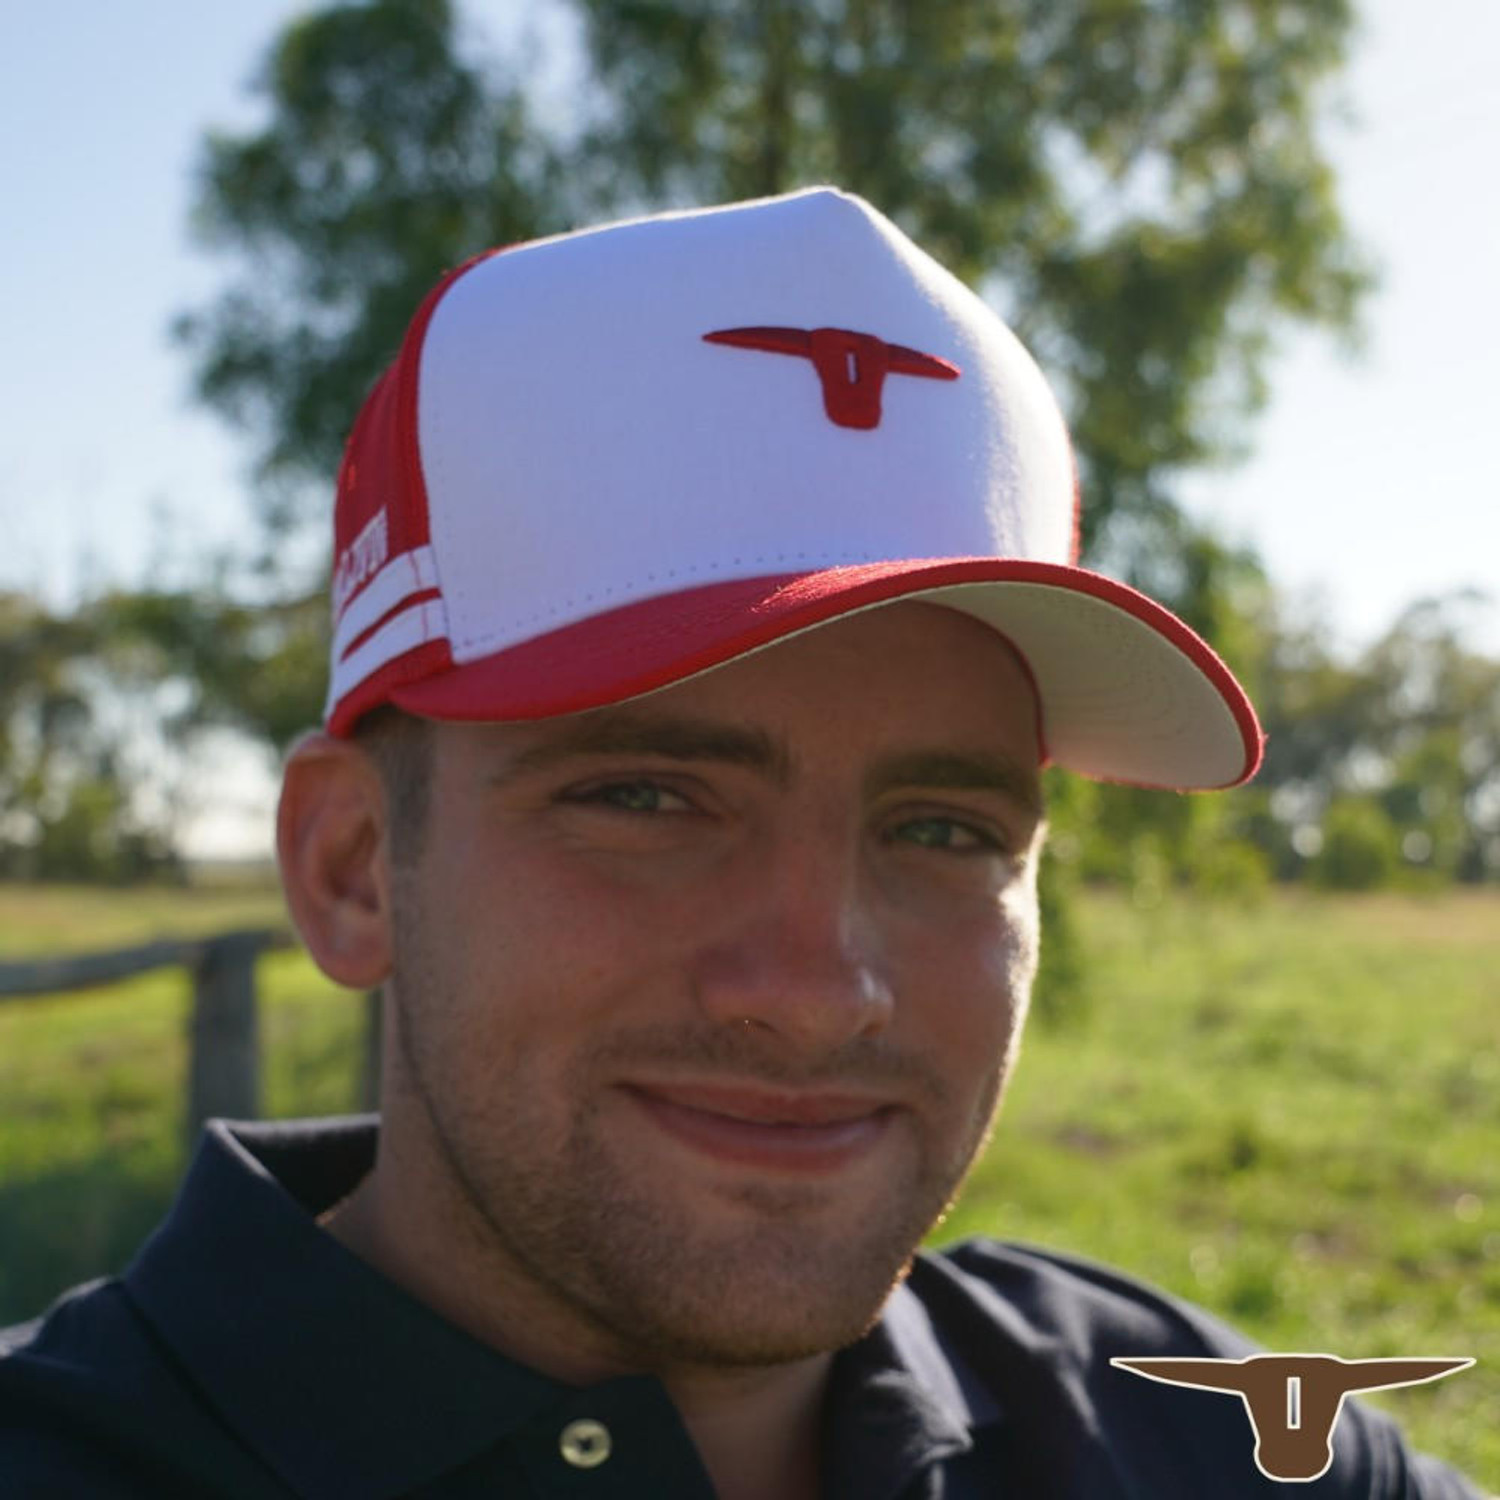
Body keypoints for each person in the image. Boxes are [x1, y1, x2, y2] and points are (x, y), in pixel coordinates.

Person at [0, 188, 1483, 1499]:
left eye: (944, 826)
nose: (817, 986)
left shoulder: (1194, 1436)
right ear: (352, 867)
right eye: (645, 798)